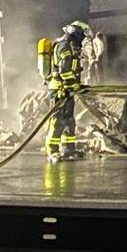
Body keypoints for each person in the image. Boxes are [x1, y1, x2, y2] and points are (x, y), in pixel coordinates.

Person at [44, 20, 89, 162]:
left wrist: (76, 85)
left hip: (67, 90)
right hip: (59, 90)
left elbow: (72, 70)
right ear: (75, 33)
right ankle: (53, 152)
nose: (82, 37)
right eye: (82, 34)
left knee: (69, 120)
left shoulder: (71, 47)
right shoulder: (64, 47)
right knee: (57, 121)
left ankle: (69, 150)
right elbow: (64, 71)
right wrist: (72, 84)